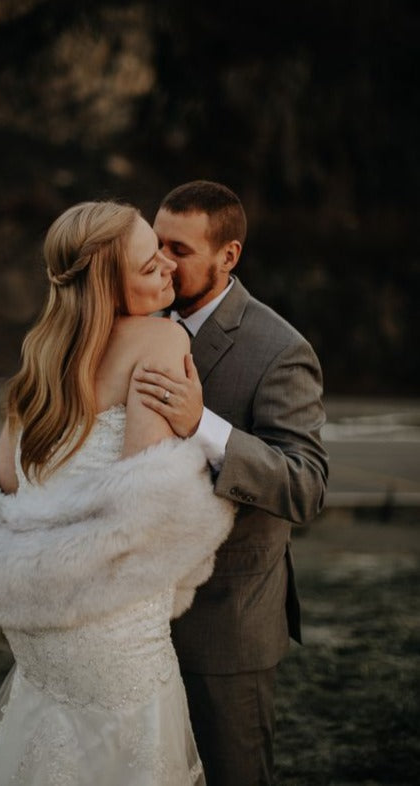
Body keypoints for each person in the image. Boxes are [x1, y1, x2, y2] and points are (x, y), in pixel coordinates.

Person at [0, 200, 235, 785]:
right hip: (113, 621)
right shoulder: (160, 340)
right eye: (149, 265)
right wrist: (193, 436)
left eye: (164, 254)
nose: (168, 269)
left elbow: (7, 485)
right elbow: (142, 503)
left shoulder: (41, 356)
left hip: (41, 626)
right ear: (106, 283)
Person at [134, 180, 329, 786]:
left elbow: (306, 486)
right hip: (132, 622)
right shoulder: (137, 318)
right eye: (156, 243)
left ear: (229, 256)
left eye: (180, 249)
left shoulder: (280, 349)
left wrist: (203, 426)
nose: (161, 260)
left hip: (226, 626)